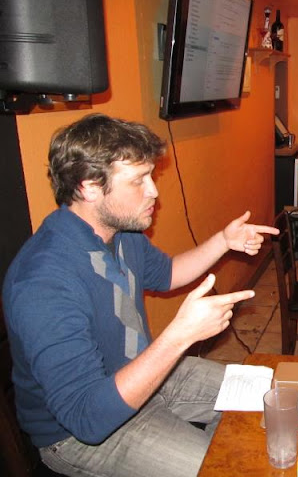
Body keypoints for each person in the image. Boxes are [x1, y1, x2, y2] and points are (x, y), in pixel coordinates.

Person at [2, 114, 279, 477]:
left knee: (270, 393)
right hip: (79, 435)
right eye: (138, 180)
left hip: (144, 372)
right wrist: (179, 336)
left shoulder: (121, 233)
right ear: (89, 187)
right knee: (223, 469)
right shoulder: (43, 282)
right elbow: (87, 418)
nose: (154, 191)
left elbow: (167, 274)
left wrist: (223, 242)